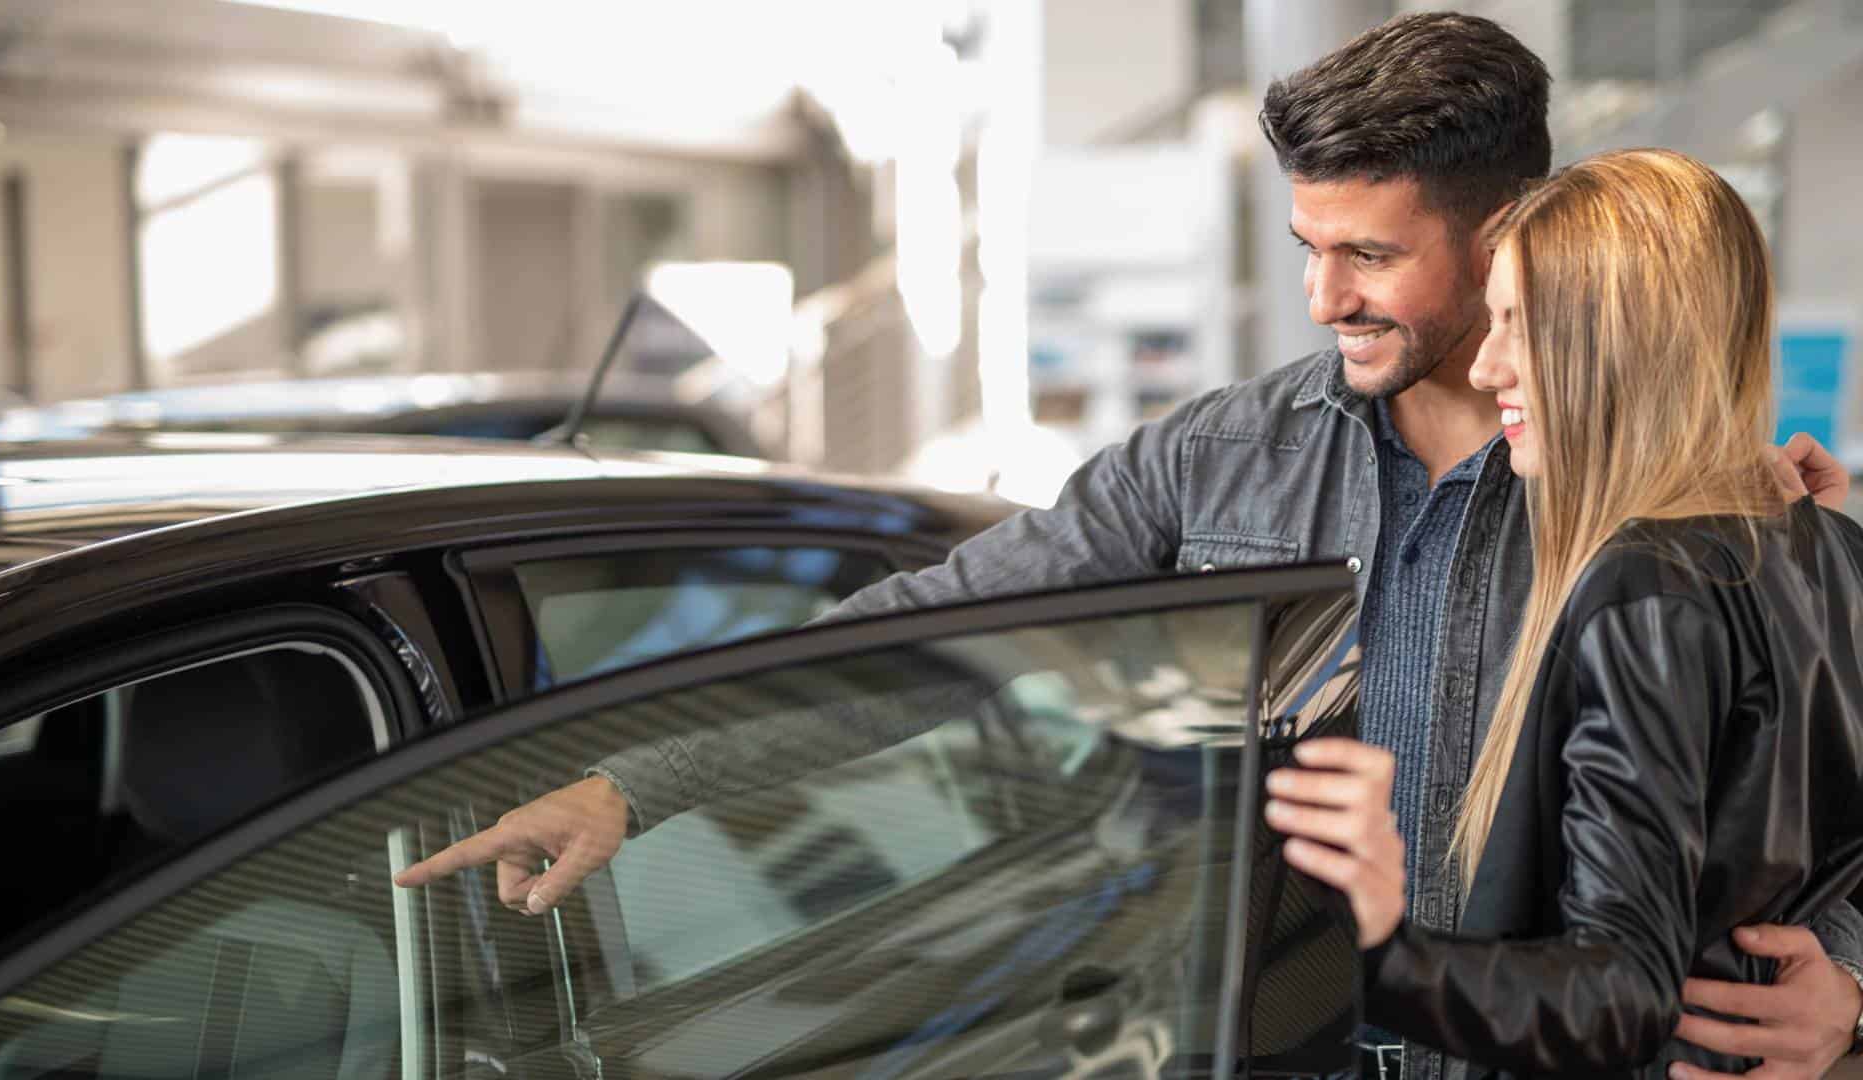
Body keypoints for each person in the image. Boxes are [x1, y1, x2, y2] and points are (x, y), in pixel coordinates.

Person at [395, 13, 1863, 1077]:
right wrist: (636, 779)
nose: (1319, 297)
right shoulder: (1218, 462)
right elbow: (941, 634)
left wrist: (1851, 981)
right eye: (1304, 244)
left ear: (1505, 244)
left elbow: (1820, 793)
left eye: (1367, 255)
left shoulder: (1686, 512)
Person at [1265, 147, 1863, 1078]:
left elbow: (1617, 999)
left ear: (1614, 341)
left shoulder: (1644, 588)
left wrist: (1385, 951)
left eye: (1517, 325)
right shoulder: (1832, 552)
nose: (1486, 367)